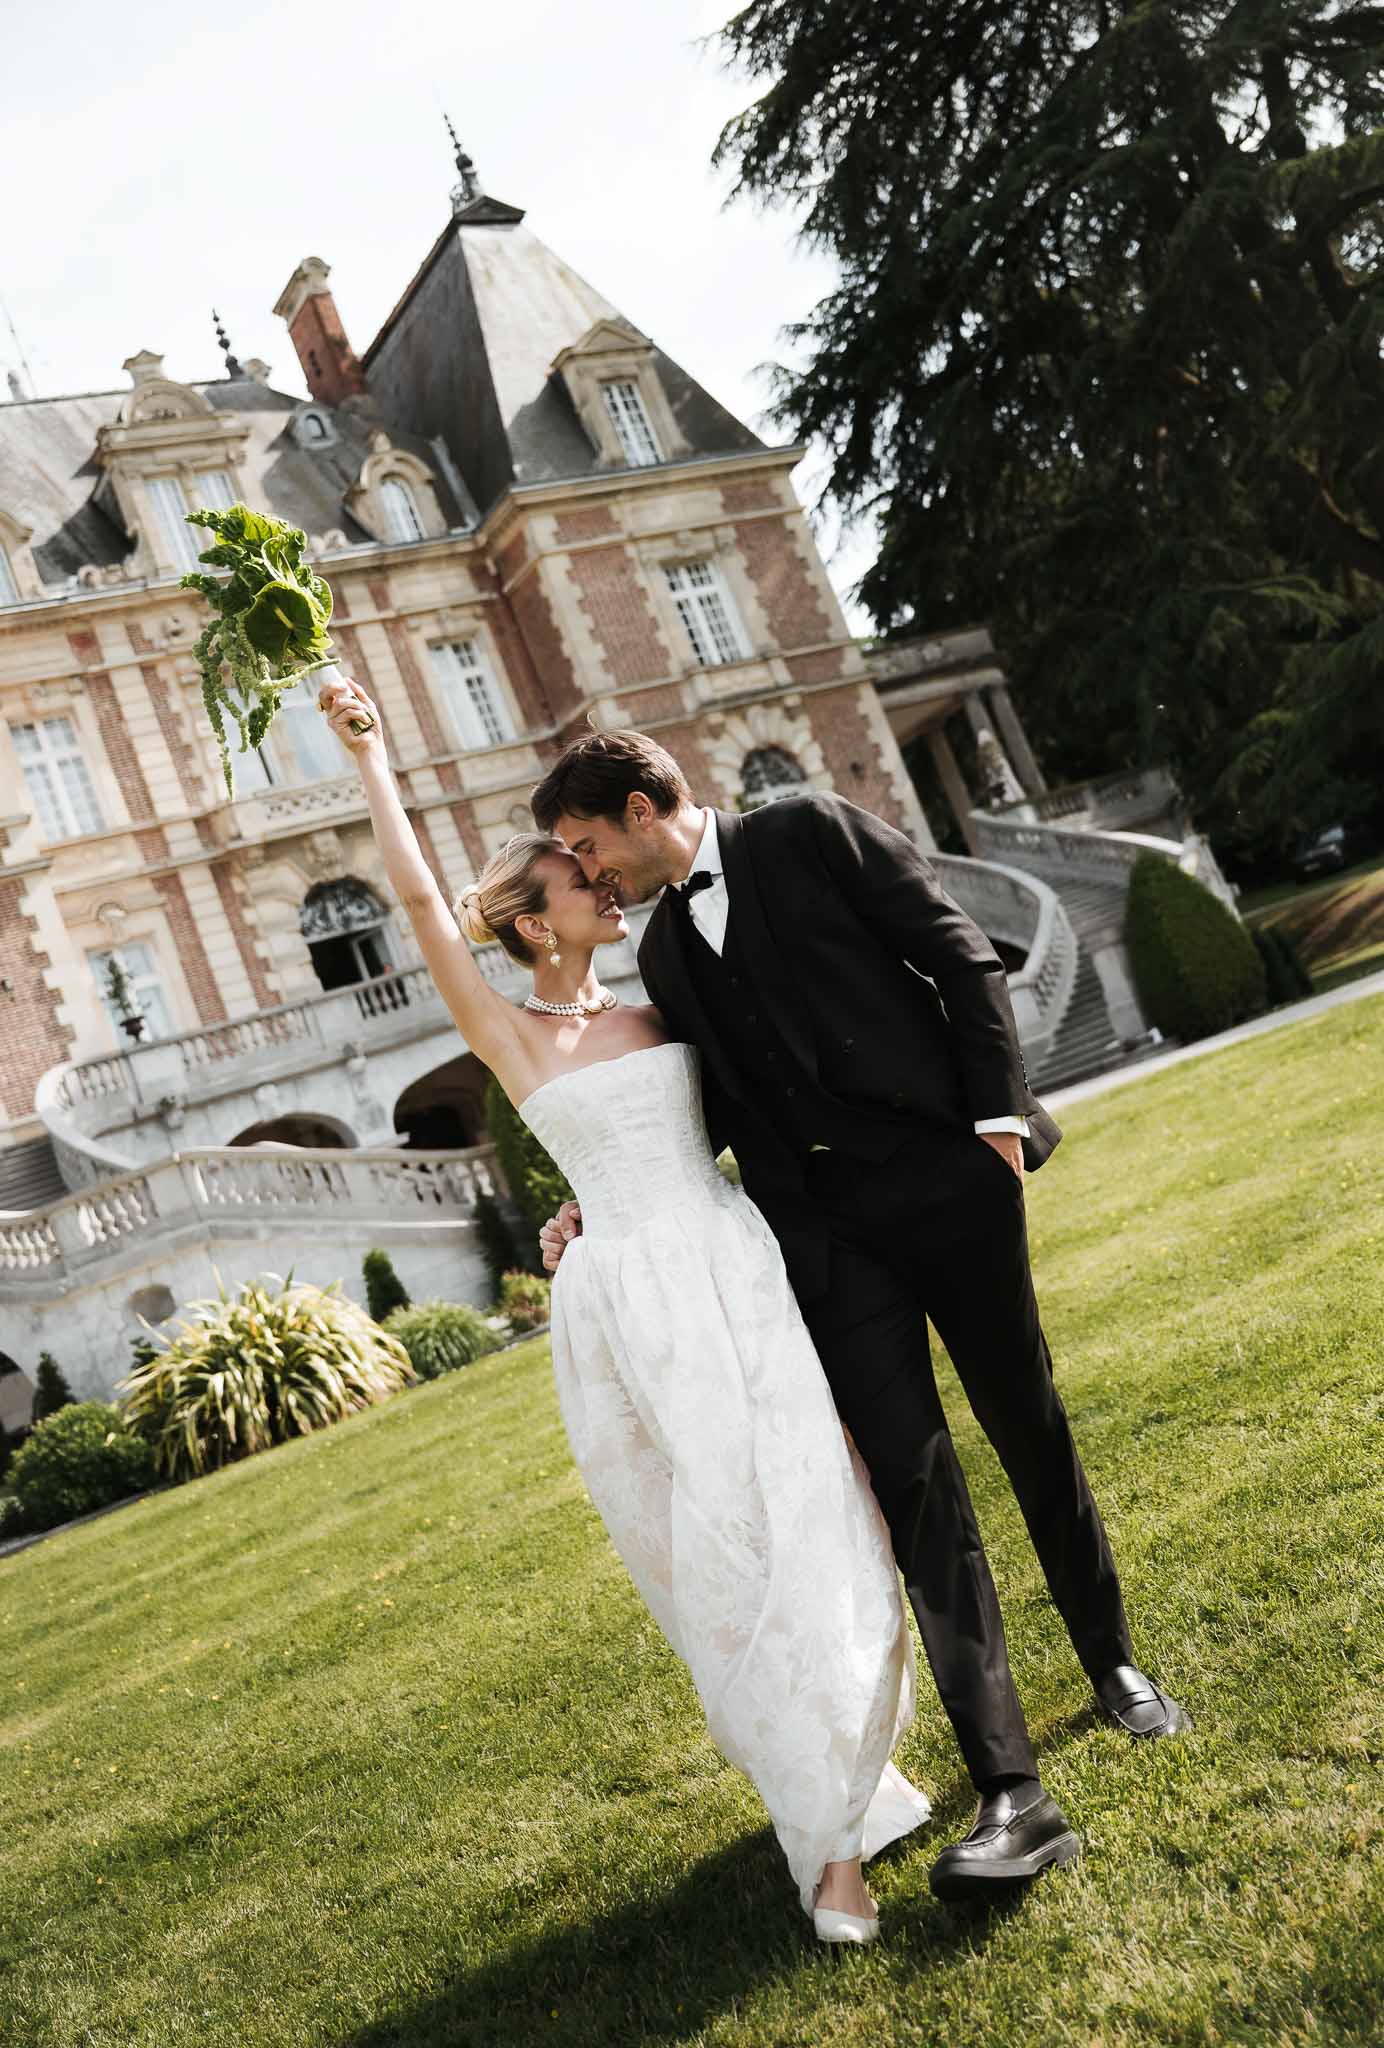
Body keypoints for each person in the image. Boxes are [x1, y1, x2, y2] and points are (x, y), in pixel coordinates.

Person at [317, 673, 932, 1945]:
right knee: (721, 1550)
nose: (603, 886)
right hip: (635, 1312)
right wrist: (369, 749)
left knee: (821, 1508)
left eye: (596, 868)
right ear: (536, 925)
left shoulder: (662, 1004)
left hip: (735, 1262)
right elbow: (426, 904)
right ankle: (825, 1855)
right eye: (575, 882)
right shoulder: (512, 1039)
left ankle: (859, 1775)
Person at [534, 727, 1192, 1901]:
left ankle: (1115, 1663)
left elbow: (958, 953)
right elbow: (715, 1108)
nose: (594, 875)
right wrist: (592, 1204)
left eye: (590, 845)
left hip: (951, 1182)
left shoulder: (808, 829)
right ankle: (1007, 1785)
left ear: (642, 806)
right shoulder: (670, 950)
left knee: (1026, 1423)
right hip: (829, 1244)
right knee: (916, 1486)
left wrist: (996, 1123)